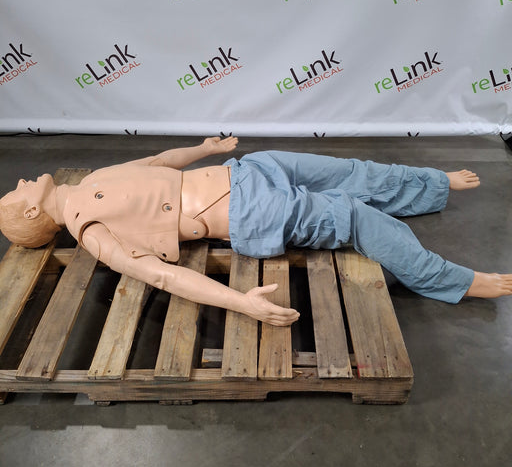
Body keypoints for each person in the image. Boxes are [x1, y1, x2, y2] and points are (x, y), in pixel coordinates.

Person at [0, 137, 511, 326]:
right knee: (357, 219)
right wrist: (241, 303)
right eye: (16, 194)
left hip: (248, 170)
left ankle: (430, 186)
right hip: (251, 211)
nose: (20, 182)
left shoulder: (92, 180)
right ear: (31, 215)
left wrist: (205, 150)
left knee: (344, 171)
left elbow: (158, 162)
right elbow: (162, 276)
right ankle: (454, 281)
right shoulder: (91, 232)